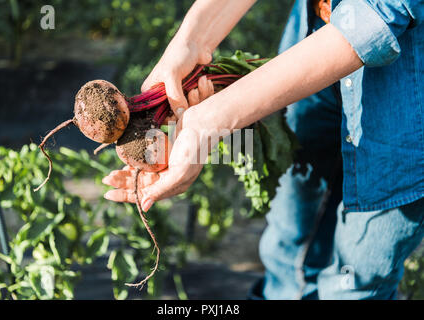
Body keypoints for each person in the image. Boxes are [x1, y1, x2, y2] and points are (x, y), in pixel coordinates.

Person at [102, 0, 424, 299]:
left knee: (354, 281)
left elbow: (377, 14)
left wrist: (212, 120)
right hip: (314, 35)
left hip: (404, 99)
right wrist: (193, 38)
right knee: (288, 246)